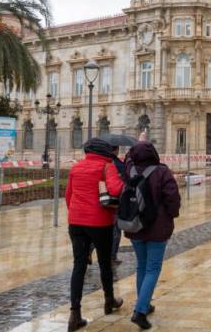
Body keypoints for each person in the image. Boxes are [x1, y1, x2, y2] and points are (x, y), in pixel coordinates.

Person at [65, 138, 125, 331]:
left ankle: (75, 314)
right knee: (105, 263)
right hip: (100, 222)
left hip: (76, 222)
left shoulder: (76, 168)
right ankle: (109, 300)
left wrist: (76, 213)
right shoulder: (107, 166)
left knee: (78, 266)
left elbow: (68, 195)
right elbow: (116, 189)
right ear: (105, 152)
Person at [125, 141, 181, 330]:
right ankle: (140, 310)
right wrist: (171, 214)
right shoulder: (162, 172)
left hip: (136, 226)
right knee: (153, 268)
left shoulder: (131, 171)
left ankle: (145, 304)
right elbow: (173, 198)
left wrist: (135, 144)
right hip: (157, 228)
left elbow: (127, 159)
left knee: (142, 266)